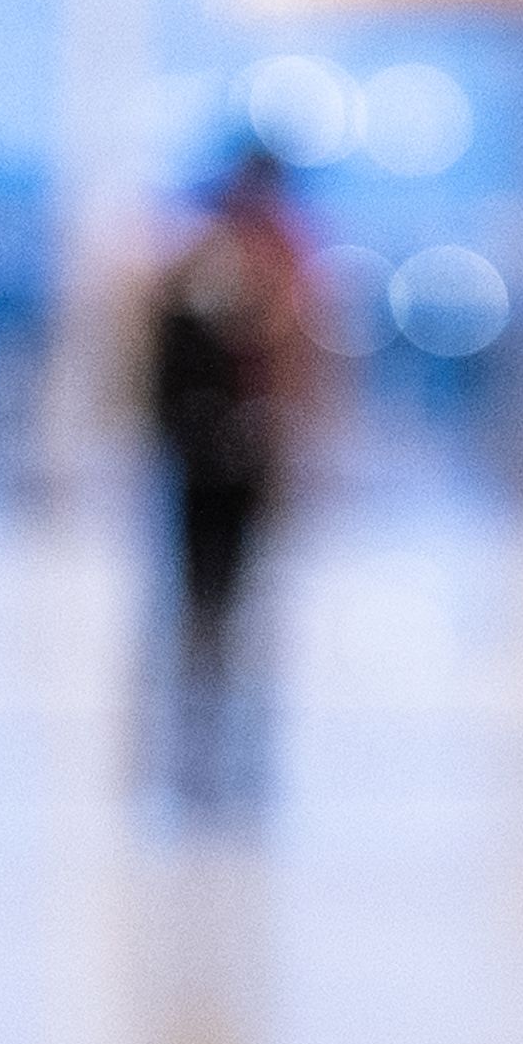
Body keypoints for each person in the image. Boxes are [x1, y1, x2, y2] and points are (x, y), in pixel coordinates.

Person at [140, 149, 319, 809]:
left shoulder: (284, 259)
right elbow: (167, 368)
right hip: (203, 455)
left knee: (240, 589)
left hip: (250, 451)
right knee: (200, 589)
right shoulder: (196, 266)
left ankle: (230, 711)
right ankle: (198, 710)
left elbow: (298, 360)